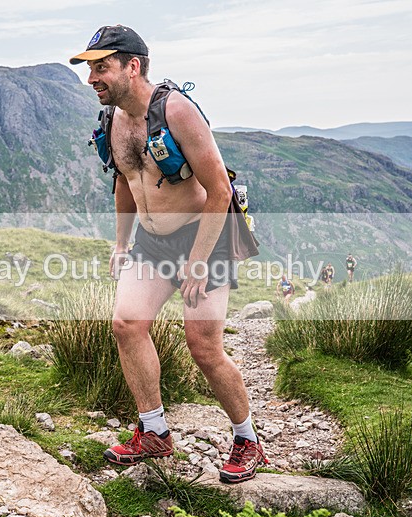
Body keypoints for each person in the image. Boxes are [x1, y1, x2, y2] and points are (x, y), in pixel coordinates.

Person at [70, 25, 265, 483]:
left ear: (132, 66)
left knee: (203, 347)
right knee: (127, 324)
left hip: (205, 235)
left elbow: (219, 191)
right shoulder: (112, 119)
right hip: (153, 241)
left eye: (101, 67)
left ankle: (248, 440)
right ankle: (154, 431)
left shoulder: (176, 111)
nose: (92, 78)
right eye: (90, 69)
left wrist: (197, 261)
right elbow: (124, 181)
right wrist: (122, 243)